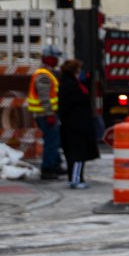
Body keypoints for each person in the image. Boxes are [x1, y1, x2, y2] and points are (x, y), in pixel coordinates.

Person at [57, 58, 99, 189]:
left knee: (74, 152)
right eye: (79, 68)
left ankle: (75, 178)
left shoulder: (69, 82)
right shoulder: (71, 85)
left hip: (73, 124)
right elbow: (80, 99)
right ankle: (76, 179)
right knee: (78, 154)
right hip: (76, 124)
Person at [28, 45, 64, 180]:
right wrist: (49, 114)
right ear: (49, 58)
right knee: (51, 142)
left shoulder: (46, 73)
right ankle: (47, 169)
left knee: (54, 140)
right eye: (55, 58)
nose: (57, 60)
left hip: (46, 114)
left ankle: (56, 165)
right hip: (45, 114)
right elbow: (44, 96)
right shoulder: (43, 75)